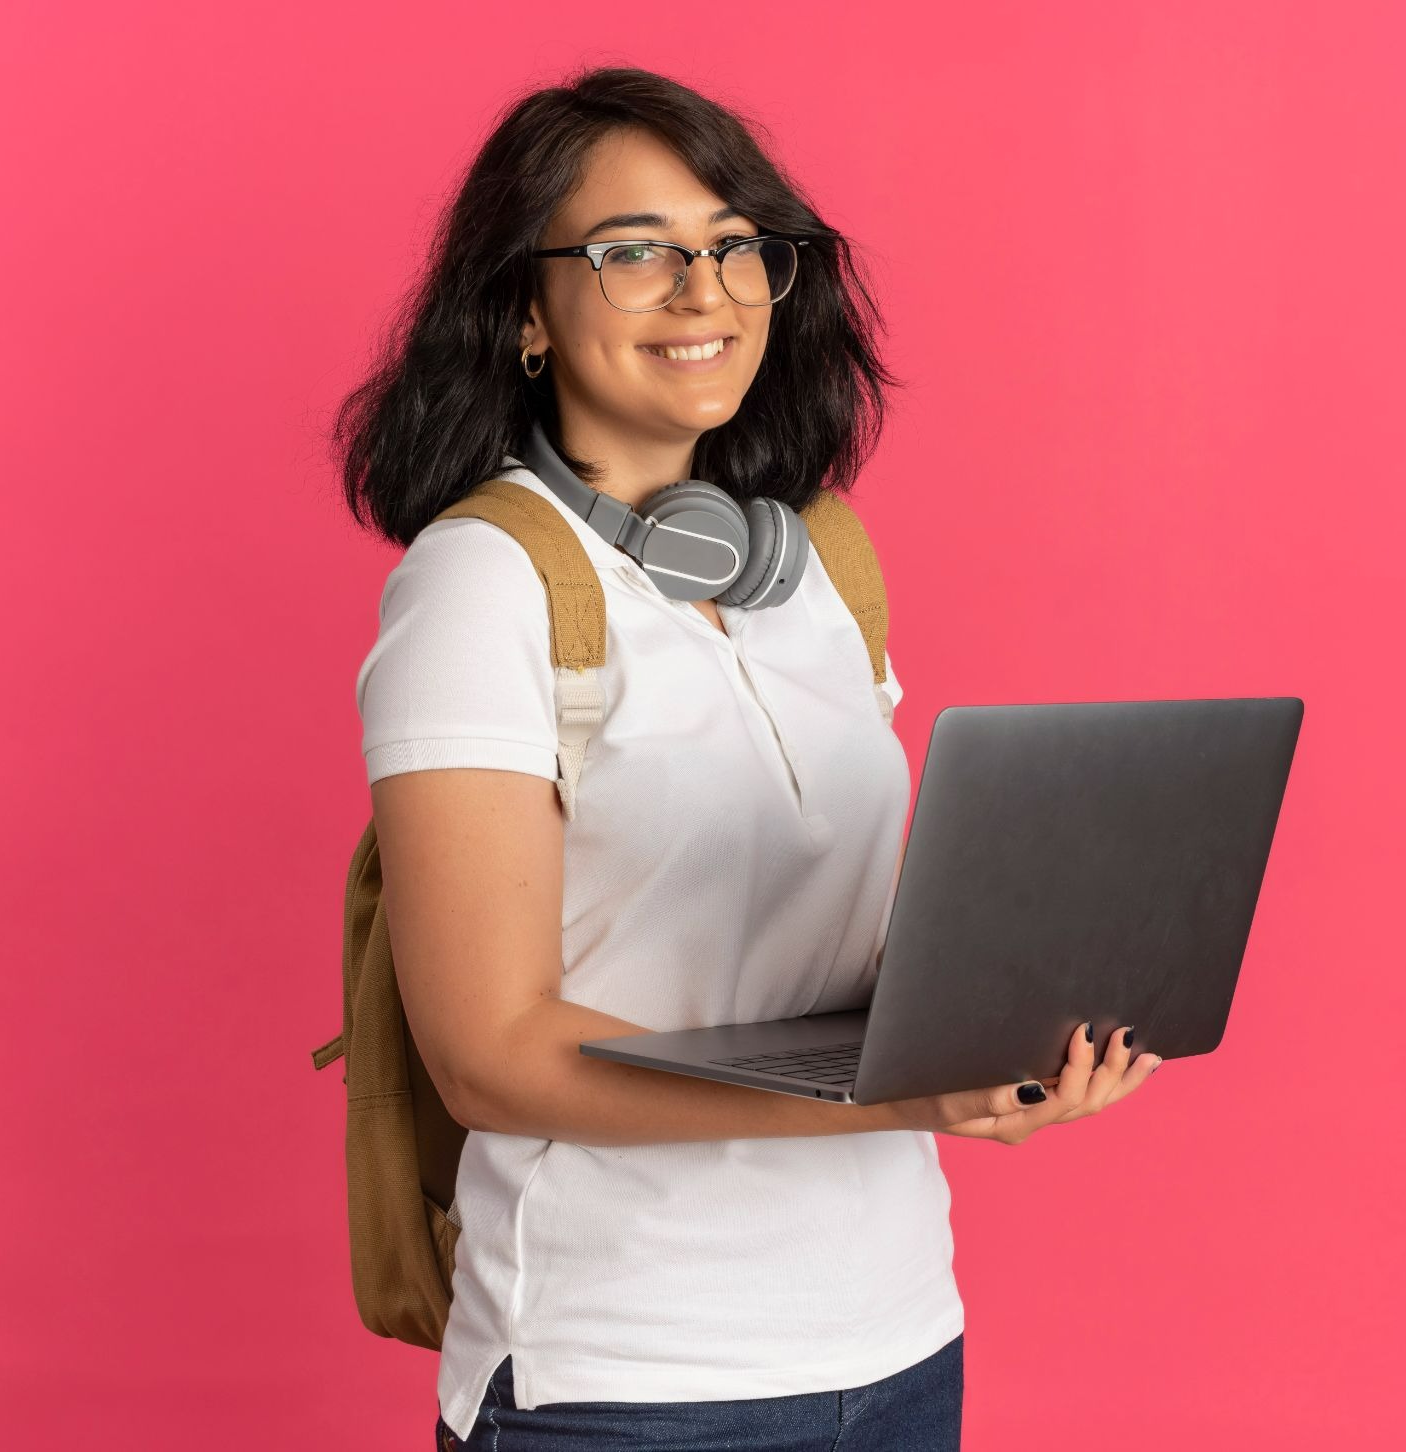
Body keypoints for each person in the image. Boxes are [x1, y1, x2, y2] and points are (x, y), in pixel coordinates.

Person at [332, 65, 1163, 1452]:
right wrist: (899, 1095)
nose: (704, 291)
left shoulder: (823, 558)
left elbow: (828, 953)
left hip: (898, 1336)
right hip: (624, 1377)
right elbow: (490, 1057)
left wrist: (1007, 1013)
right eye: (635, 252)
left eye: (734, 249)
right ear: (526, 311)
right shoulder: (481, 586)